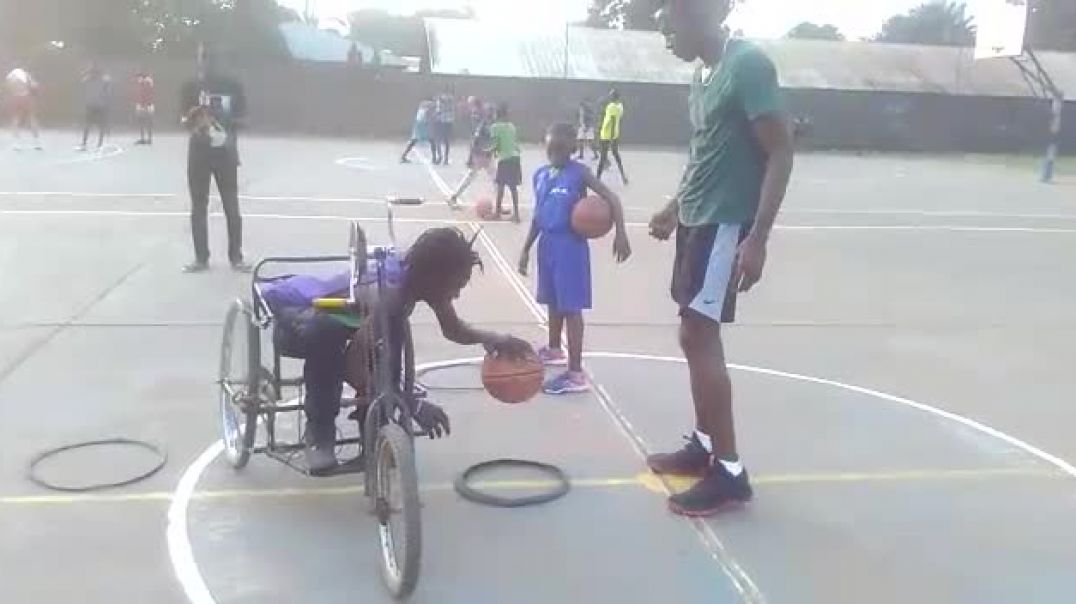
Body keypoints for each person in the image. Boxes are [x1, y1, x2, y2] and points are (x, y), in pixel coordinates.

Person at [646, 0, 794, 517]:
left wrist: (759, 237)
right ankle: (704, 445)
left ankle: (729, 472)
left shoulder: (747, 65)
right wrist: (673, 206)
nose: (662, 33)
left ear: (698, 16)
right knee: (692, 333)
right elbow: (704, 151)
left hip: (727, 222)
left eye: (667, 23)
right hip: (696, 219)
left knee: (702, 335)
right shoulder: (703, 76)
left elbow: (780, 151)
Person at [262, 227, 534, 474]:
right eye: (457, 286)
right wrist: (411, 403)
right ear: (434, 277)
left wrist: (498, 338)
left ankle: (375, 433)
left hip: (351, 317)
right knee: (332, 338)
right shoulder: (389, 293)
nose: (457, 294)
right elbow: (355, 367)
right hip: (298, 313)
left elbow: (452, 329)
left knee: (388, 341)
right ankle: (320, 434)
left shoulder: (423, 280)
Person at [518, 123, 631, 394]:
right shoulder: (541, 175)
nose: (554, 151)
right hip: (547, 243)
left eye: (560, 147)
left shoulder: (580, 174)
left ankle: (576, 374)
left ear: (572, 147)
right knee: (553, 301)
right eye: (550, 147)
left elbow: (612, 199)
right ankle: (555, 348)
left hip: (570, 246)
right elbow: (538, 215)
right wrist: (525, 248)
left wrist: (621, 233)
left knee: (571, 308)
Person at [179, 45, 249, 273]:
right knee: (199, 207)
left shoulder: (233, 86)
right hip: (199, 155)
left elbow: (243, 117)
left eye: (209, 59)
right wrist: (196, 120)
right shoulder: (191, 87)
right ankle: (201, 258)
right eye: (202, 59)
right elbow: (182, 119)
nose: (206, 64)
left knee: (231, 206)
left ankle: (236, 257)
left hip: (225, 154)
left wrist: (224, 127)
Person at [447, 98, 495, 208]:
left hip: (484, 152)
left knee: (489, 177)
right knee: (491, 178)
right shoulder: (482, 122)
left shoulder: (482, 121)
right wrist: (472, 155)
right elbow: (476, 139)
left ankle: (453, 196)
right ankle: (453, 196)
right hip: (481, 153)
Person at [489, 103, 522, 222]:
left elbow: (495, 144)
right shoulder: (511, 126)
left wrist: (487, 151)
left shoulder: (495, 127)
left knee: (501, 186)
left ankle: (497, 213)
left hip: (505, 158)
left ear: (497, 114)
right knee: (513, 187)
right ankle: (517, 214)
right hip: (515, 157)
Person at [4, 65, 41, 150]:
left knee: (16, 119)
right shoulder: (25, 74)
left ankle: (16, 143)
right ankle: (36, 142)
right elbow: (34, 85)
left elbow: (8, 86)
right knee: (32, 118)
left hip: (15, 97)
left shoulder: (11, 75)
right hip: (26, 97)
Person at [77, 63, 111, 151]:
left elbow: (107, 91)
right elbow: (83, 81)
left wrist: (106, 102)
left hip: (99, 105)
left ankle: (99, 145)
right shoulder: (89, 79)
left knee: (98, 125)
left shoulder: (103, 80)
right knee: (88, 125)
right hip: (92, 105)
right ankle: (85, 144)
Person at [597, 89, 628, 185]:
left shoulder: (611, 107)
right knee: (615, 155)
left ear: (613, 97)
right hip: (615, 134)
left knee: (603, 156)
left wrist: (610, 137)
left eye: (611, 95)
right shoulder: (620, 107)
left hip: (607, 135)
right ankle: (623, 177)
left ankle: (597, 178)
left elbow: (613, 121)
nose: (609, 97)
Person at [400, 98, 437, 164]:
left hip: (420, 125)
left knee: (414, 141)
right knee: (431, 141)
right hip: (422, 126)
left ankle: (403, 156)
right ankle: (434, 158)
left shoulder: (422, 108)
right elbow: (429, 118)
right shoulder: (426, 108)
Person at [433, 90, 456, 165]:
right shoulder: (451, 102)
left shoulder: (440, 101)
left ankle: (440, 157)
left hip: (441, 121)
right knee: (447, 141)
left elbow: (438, 111)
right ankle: (446, 159)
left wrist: (434, 116)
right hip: (449, 122)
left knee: (438, 140)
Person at [133, 70, 155, 145]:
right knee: (141, 123)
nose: (137, 80)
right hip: (141, 106)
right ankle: (143, 139)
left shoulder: (147, 84)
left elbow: (148, 96)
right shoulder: (141, 85)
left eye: (139, 78)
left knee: (148, 123)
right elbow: (139, 96)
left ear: (142, 78)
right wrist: (138, 104)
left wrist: (145, 105)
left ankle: (149, 139)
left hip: (147, 106)